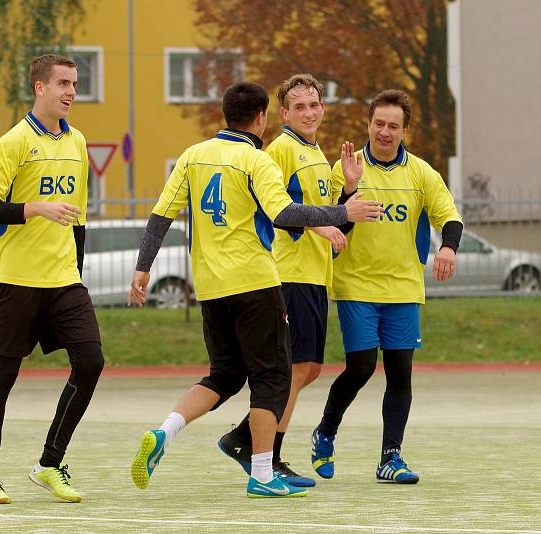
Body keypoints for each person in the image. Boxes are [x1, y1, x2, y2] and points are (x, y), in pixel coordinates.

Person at [127, 81, 382, 498]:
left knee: (224, 374)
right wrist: (344, 210)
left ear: (225, 114)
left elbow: (161, 216)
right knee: (274, 375)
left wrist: (142, 268)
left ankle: (165, 431)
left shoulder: (193, 156)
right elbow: (284, 214)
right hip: (255, 282)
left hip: (209, 286)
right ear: (263, 116)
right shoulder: (256, 159)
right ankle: (263, 471)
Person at [0, 53, 104, 504]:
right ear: (39, 87)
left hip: (64, 279)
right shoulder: (12, 143)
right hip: (17, 279)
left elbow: (79, 217)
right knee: (2, 377)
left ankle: (49, 463)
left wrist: (77, 272)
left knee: (91, 362)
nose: (70, 92)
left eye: (75, 84)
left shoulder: (78, 141)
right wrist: (34, 209)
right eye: (63, 83)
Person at [309, 89, 463, 485]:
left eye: (394, 125)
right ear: (368, 124)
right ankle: (324, 433)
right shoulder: (344, 167)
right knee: (360, 367)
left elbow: (451, 217)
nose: (385, 131)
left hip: (403, 289)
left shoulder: (422, 174)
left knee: (400, 372)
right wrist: (346, 191)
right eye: (379, 123)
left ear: (404, 129)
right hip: (356, 285)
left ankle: (390, 459)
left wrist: (447, 247)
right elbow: (332, 225)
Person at [217, 74, 352, 488]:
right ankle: (265, 455)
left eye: (314, 105)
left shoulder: (314, 152)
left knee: (308, 368)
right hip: (289, 271)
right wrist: (320, 228)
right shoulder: (280, 150)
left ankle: (246, 438)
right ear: (283, 113)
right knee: (294, 368)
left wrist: (348, 190)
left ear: (322, 108)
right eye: (299, 107)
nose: (308, 112)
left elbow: (329, 212)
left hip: (314, 273)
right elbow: (276, 206)